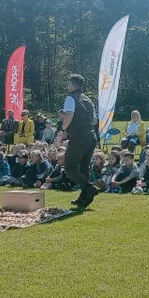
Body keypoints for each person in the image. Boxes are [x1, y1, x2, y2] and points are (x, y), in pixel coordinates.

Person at [60, 73, 101, 208]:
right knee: (84, 168)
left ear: (72, 84)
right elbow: (94, 120)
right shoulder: (89, 100)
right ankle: (84, 198)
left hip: (79, 137)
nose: (67, 86)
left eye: (68, 84)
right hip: (91, 136)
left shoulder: (70, 98)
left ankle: (90, 188)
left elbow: (70, 115)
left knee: (70, 168)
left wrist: (63, 128)